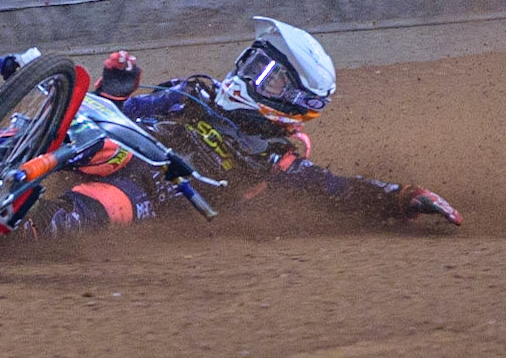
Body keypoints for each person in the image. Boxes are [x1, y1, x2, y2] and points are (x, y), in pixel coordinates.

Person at [26, 17, 461, 235]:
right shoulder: (196, 94)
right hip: (116, 142)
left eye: (268, 76)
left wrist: (402, 198)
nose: (247, 78)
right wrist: (116, 93)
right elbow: (124, 113)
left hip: (153, 190)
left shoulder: (274, 158)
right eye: (254, 64)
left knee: (89, 213)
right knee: (71, 133)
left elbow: (339, 190)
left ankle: (12, 226)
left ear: (293, 104)